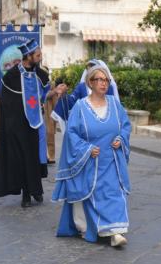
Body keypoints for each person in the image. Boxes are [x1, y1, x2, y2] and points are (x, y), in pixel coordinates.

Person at [53, 64, 132, 247]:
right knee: (90, 194)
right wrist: (86, 149)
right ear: (90, 82)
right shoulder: (80, 107)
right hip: (91, 161)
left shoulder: (114, 103)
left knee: (114, 194)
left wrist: (121, 138)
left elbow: (126, 125)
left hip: (112, 160)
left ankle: (115, 232)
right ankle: (91, 228)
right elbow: (71, 134)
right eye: (100, 80)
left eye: (106, 80)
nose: (104, 84)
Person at [0, 40, 64, 207]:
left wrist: (55, 91)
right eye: (38, 55)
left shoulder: (41, 74)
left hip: (36, 124)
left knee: (36, 158)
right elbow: (7, 103)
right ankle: (26, 194)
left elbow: (43, 97)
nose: (40, 58)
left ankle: (36, 190)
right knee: (23, 159)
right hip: (18, 126)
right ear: (28, 56)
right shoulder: (11, 76)